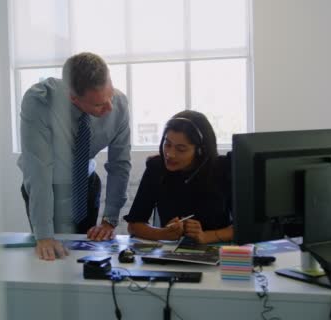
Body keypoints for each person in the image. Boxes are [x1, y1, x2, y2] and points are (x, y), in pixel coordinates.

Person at [17, 52, 131, 260]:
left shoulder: (119, 104)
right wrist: (44, 235)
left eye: (110, 95)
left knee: (84, 255)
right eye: (98, 105)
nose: (109, 107)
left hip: (86, 185)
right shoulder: (39, 102)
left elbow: (119, 165)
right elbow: (38, 170)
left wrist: (109, 220)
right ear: (73, 97)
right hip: (47, 185)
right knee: (50, 256)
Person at [123, 110, 233, 243]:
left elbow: (246, 226)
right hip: (171, 254)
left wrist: (207, 236)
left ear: (200, 150)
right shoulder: (156, 167)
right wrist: (163, 234)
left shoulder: (223, 168)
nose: (170, 154)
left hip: (219, 251)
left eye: (181, 149)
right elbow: (134, 225)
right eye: (167, 144)